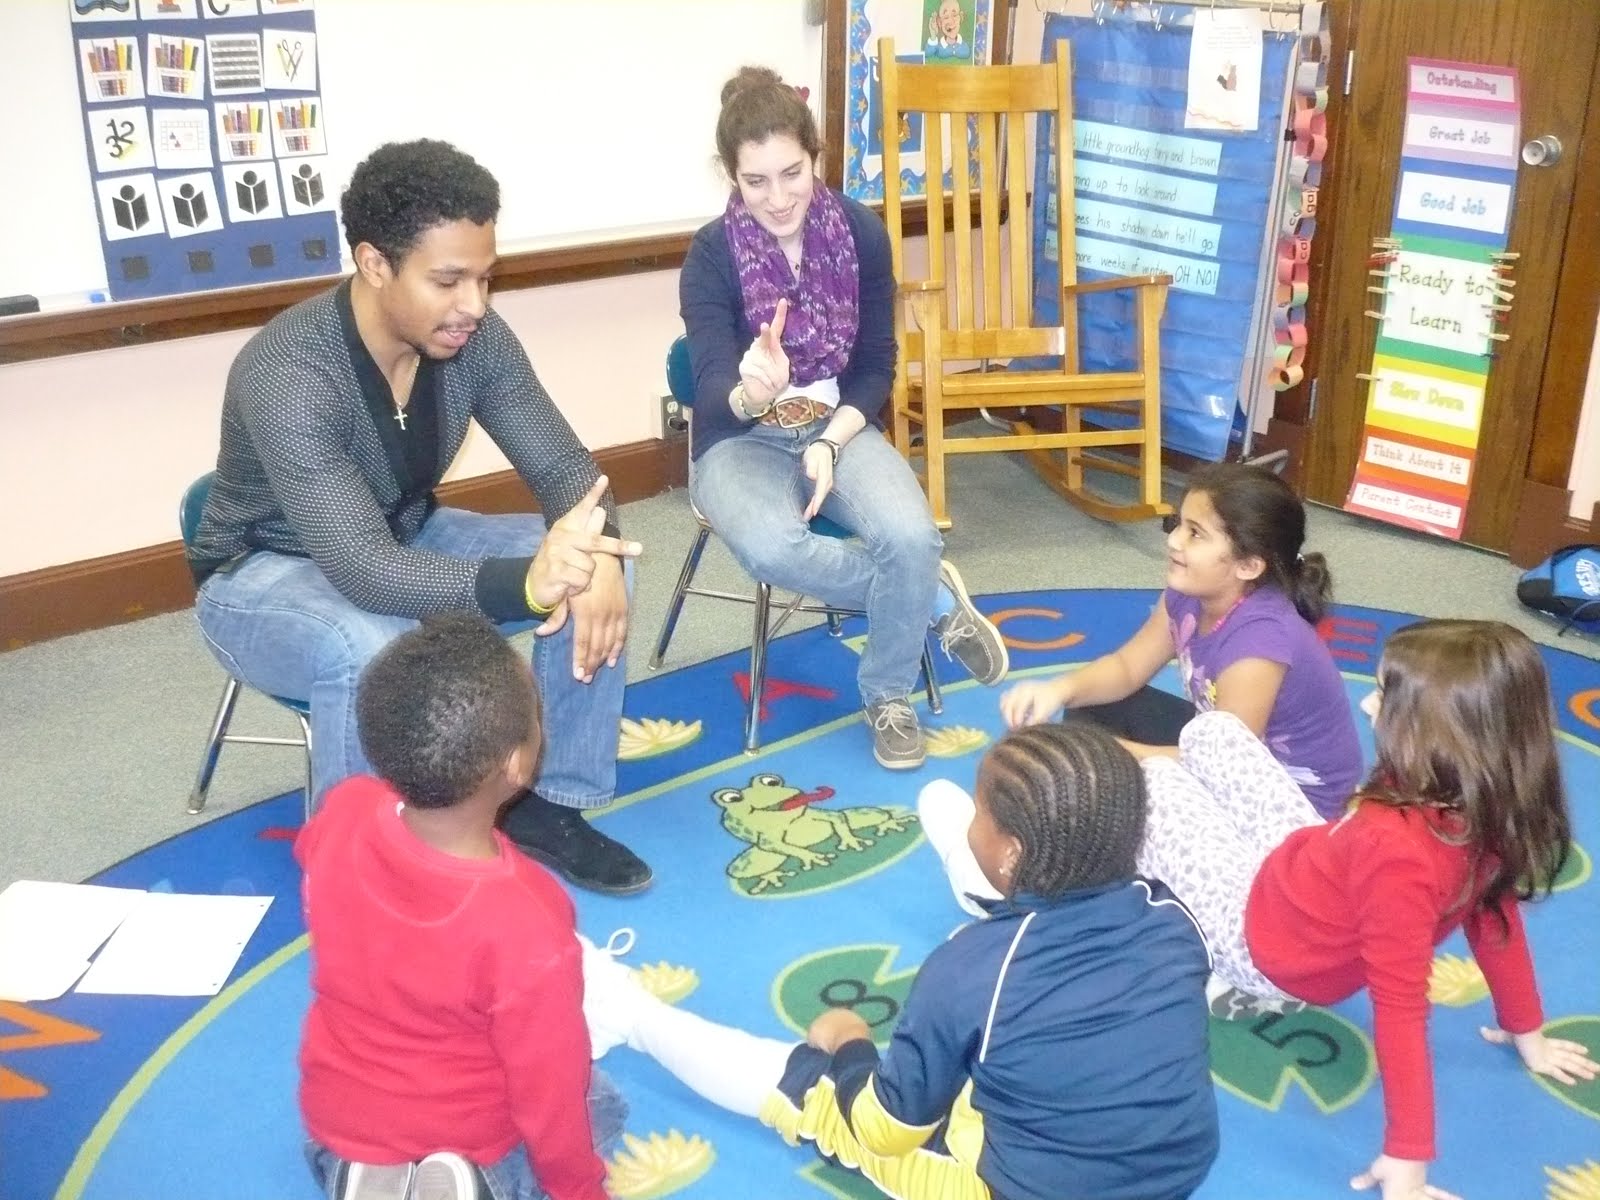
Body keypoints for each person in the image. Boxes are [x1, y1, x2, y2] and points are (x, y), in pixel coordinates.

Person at [937, 619, 1597, 1200]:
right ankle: (1161, 854)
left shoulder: (1398, 854)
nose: (1367, 703)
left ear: (1446, 735)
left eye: (1388, 697)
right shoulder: (1471, 803)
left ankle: (997, 880)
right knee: (1215, 732)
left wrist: (1409, 1160)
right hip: (1306, 871)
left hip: (1262, 939)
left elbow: (1401, 1007)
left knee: (1160, 784)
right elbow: (1494, 915)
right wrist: (1525, 1030)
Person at [188, 138, 650, 894]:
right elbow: (363, 570)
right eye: (448, 280)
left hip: (403, 531)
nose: (474, 303)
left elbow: (570, 474)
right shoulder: (286, 372)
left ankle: (546, 803)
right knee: (369, 644)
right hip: (262, 575)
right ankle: (359, 876)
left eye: (483, 277)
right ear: (375, 265)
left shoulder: (475, 340)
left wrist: (589, 552)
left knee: (593, 562)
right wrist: (529, 588)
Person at [584, 723, 1220, 1200]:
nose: (975, 817)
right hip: (1175, 1167)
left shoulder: (970, 970)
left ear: (1009, 853)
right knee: (1002, 1038)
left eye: (982, 814)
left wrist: (852, 1044)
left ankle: (622, 1011)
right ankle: (996, 894)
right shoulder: (1173, 916)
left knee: (806, 1088)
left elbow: (885, 1130)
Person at [679, 66, 1008, 771]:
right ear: (728, 175)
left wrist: (831, 440)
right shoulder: (710, 256)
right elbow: (706, 388)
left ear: (817, 157)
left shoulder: (860, 232)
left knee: (913, 539)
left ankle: (886, 692)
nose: (777, 197)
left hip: (839, 426)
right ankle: (932, 612)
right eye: (755, 180)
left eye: (791, 173)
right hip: (740, 440)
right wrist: (747, 392)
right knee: (773, 549)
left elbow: (875, 365)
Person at [296, 613, 626, 1200]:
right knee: (602, 1103)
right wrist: (581, 1192)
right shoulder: (527, 918)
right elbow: (547, 1088)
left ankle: (363, 1173)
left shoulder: (345, 810)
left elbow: (315, 864)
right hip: (469, 1130)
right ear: (517, 766)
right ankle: (468, 1182)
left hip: (337, 1119)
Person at [1000, 462, 1361, 819]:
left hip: (1290, 808)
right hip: (1226, 755)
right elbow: (1127, 668)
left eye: (1195, 533)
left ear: (1249, 565)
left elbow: (1225, 768)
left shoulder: (1260, 644)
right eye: (1178, 525)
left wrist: (1110, 753)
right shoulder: (1187, 594)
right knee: (1092, 706)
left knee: (1121, 773)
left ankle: (1107, 830)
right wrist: (1058, 690)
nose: (1173, 540)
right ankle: (1093, 810)